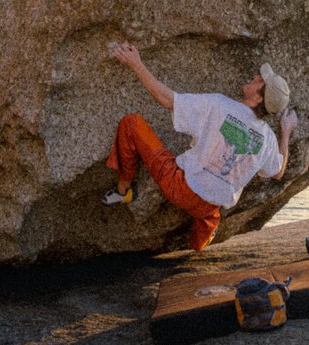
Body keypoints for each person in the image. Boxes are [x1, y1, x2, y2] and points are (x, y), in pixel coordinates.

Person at [102, 41, 298, 251]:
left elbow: (167, 100)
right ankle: (198, 246)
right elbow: (278, 172)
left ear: (258, 97)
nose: (257, 77)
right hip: (209, 206)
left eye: (260, 80)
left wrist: (136, 64)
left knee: (131, 124)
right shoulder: (268, 140)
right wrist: (285, 133)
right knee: (211, 215)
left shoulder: (219, 105)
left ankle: (124, 191)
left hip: (180, 187)